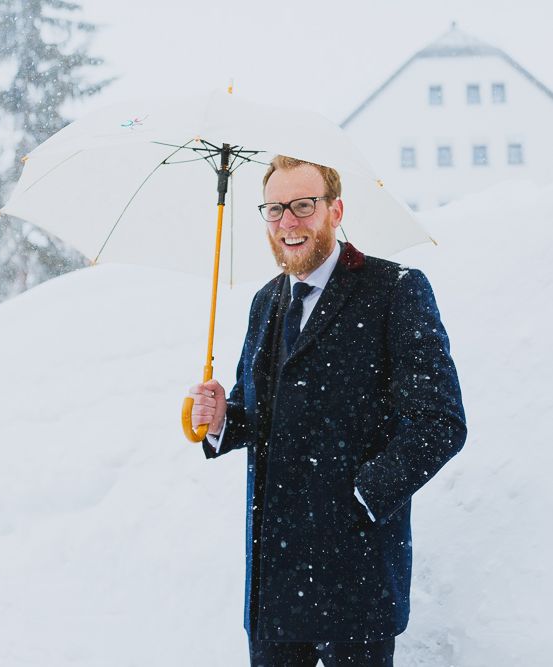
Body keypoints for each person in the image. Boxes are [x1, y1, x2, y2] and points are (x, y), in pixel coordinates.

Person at [188, 156, 466, 666]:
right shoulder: (265, 301)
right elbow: (261, 417)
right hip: (275, 581)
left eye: (302, 206)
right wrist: (224, 417)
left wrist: (361, 495)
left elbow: (440, 423)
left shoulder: (394, 290)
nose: (287, 222)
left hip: (354, 579)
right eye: (274, 209)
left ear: (335, 211)